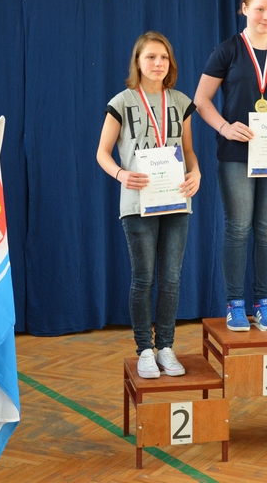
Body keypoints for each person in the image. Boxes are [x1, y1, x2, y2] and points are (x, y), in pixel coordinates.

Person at [194, 0, 267, 332]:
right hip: (235, 155)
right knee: (239, 228)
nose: (266, 16)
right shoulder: (227, 50)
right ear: (244, 8)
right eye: (259, 9)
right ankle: (235, 305)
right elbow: (201, 100)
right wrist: (224, 127)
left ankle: (264, 303)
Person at [96, 32, 201, 379]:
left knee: (171, 279)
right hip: (138, 203)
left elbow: (187, 150)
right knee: (143, 278)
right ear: (138, 62)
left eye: (164, 57)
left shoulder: (181, 101)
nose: (158, 63)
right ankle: (144, 349)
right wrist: (121, 174)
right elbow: (102, 153)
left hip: (175, 199)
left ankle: (166, 347)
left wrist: (196, 172)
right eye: (151, 57)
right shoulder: (122, 101)